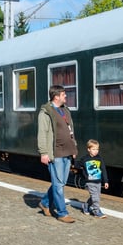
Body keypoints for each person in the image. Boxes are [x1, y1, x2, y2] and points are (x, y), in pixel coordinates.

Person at [36, 85, 77, 223]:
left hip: (67, 151)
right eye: (64, 94)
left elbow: (71, 130)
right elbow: (42, 134)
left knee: (61, 183)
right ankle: (62, 213)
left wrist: (74, 147)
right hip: (55, 152)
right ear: (56, 96)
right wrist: (44, 153)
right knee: (58, 184)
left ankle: (45, 203)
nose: (66, 97)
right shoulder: (46, 112)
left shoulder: (65, 110)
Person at [75, 139, 109, 218]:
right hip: (90, 182)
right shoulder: (85, 159)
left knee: (96, 196)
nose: (96, 151)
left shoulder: (100, 159)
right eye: (93, 149)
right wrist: (83, 171)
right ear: (88, 149)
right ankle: (96, 211)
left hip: (98, 182)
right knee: (95, 197)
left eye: (97, 149)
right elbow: (77, 165)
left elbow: (103, 170)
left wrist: (106, 181)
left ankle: (86, 206)